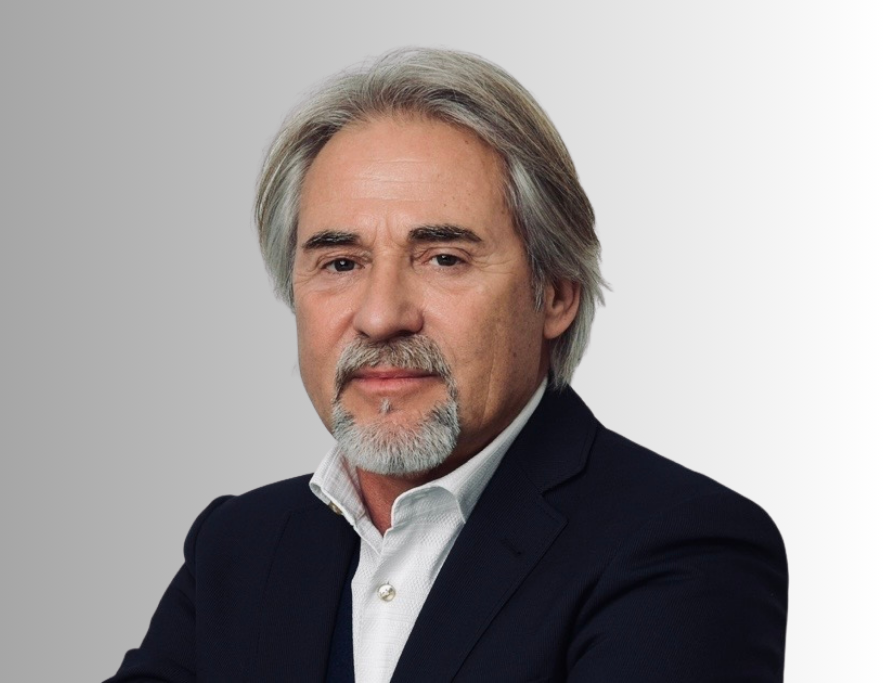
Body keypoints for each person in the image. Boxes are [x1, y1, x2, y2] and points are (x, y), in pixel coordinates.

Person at [105, 48, 788, 683]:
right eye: (340, 263)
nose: (381, 316)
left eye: (443, 258)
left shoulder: (684, 547)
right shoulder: (238, 547)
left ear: (555, 294)